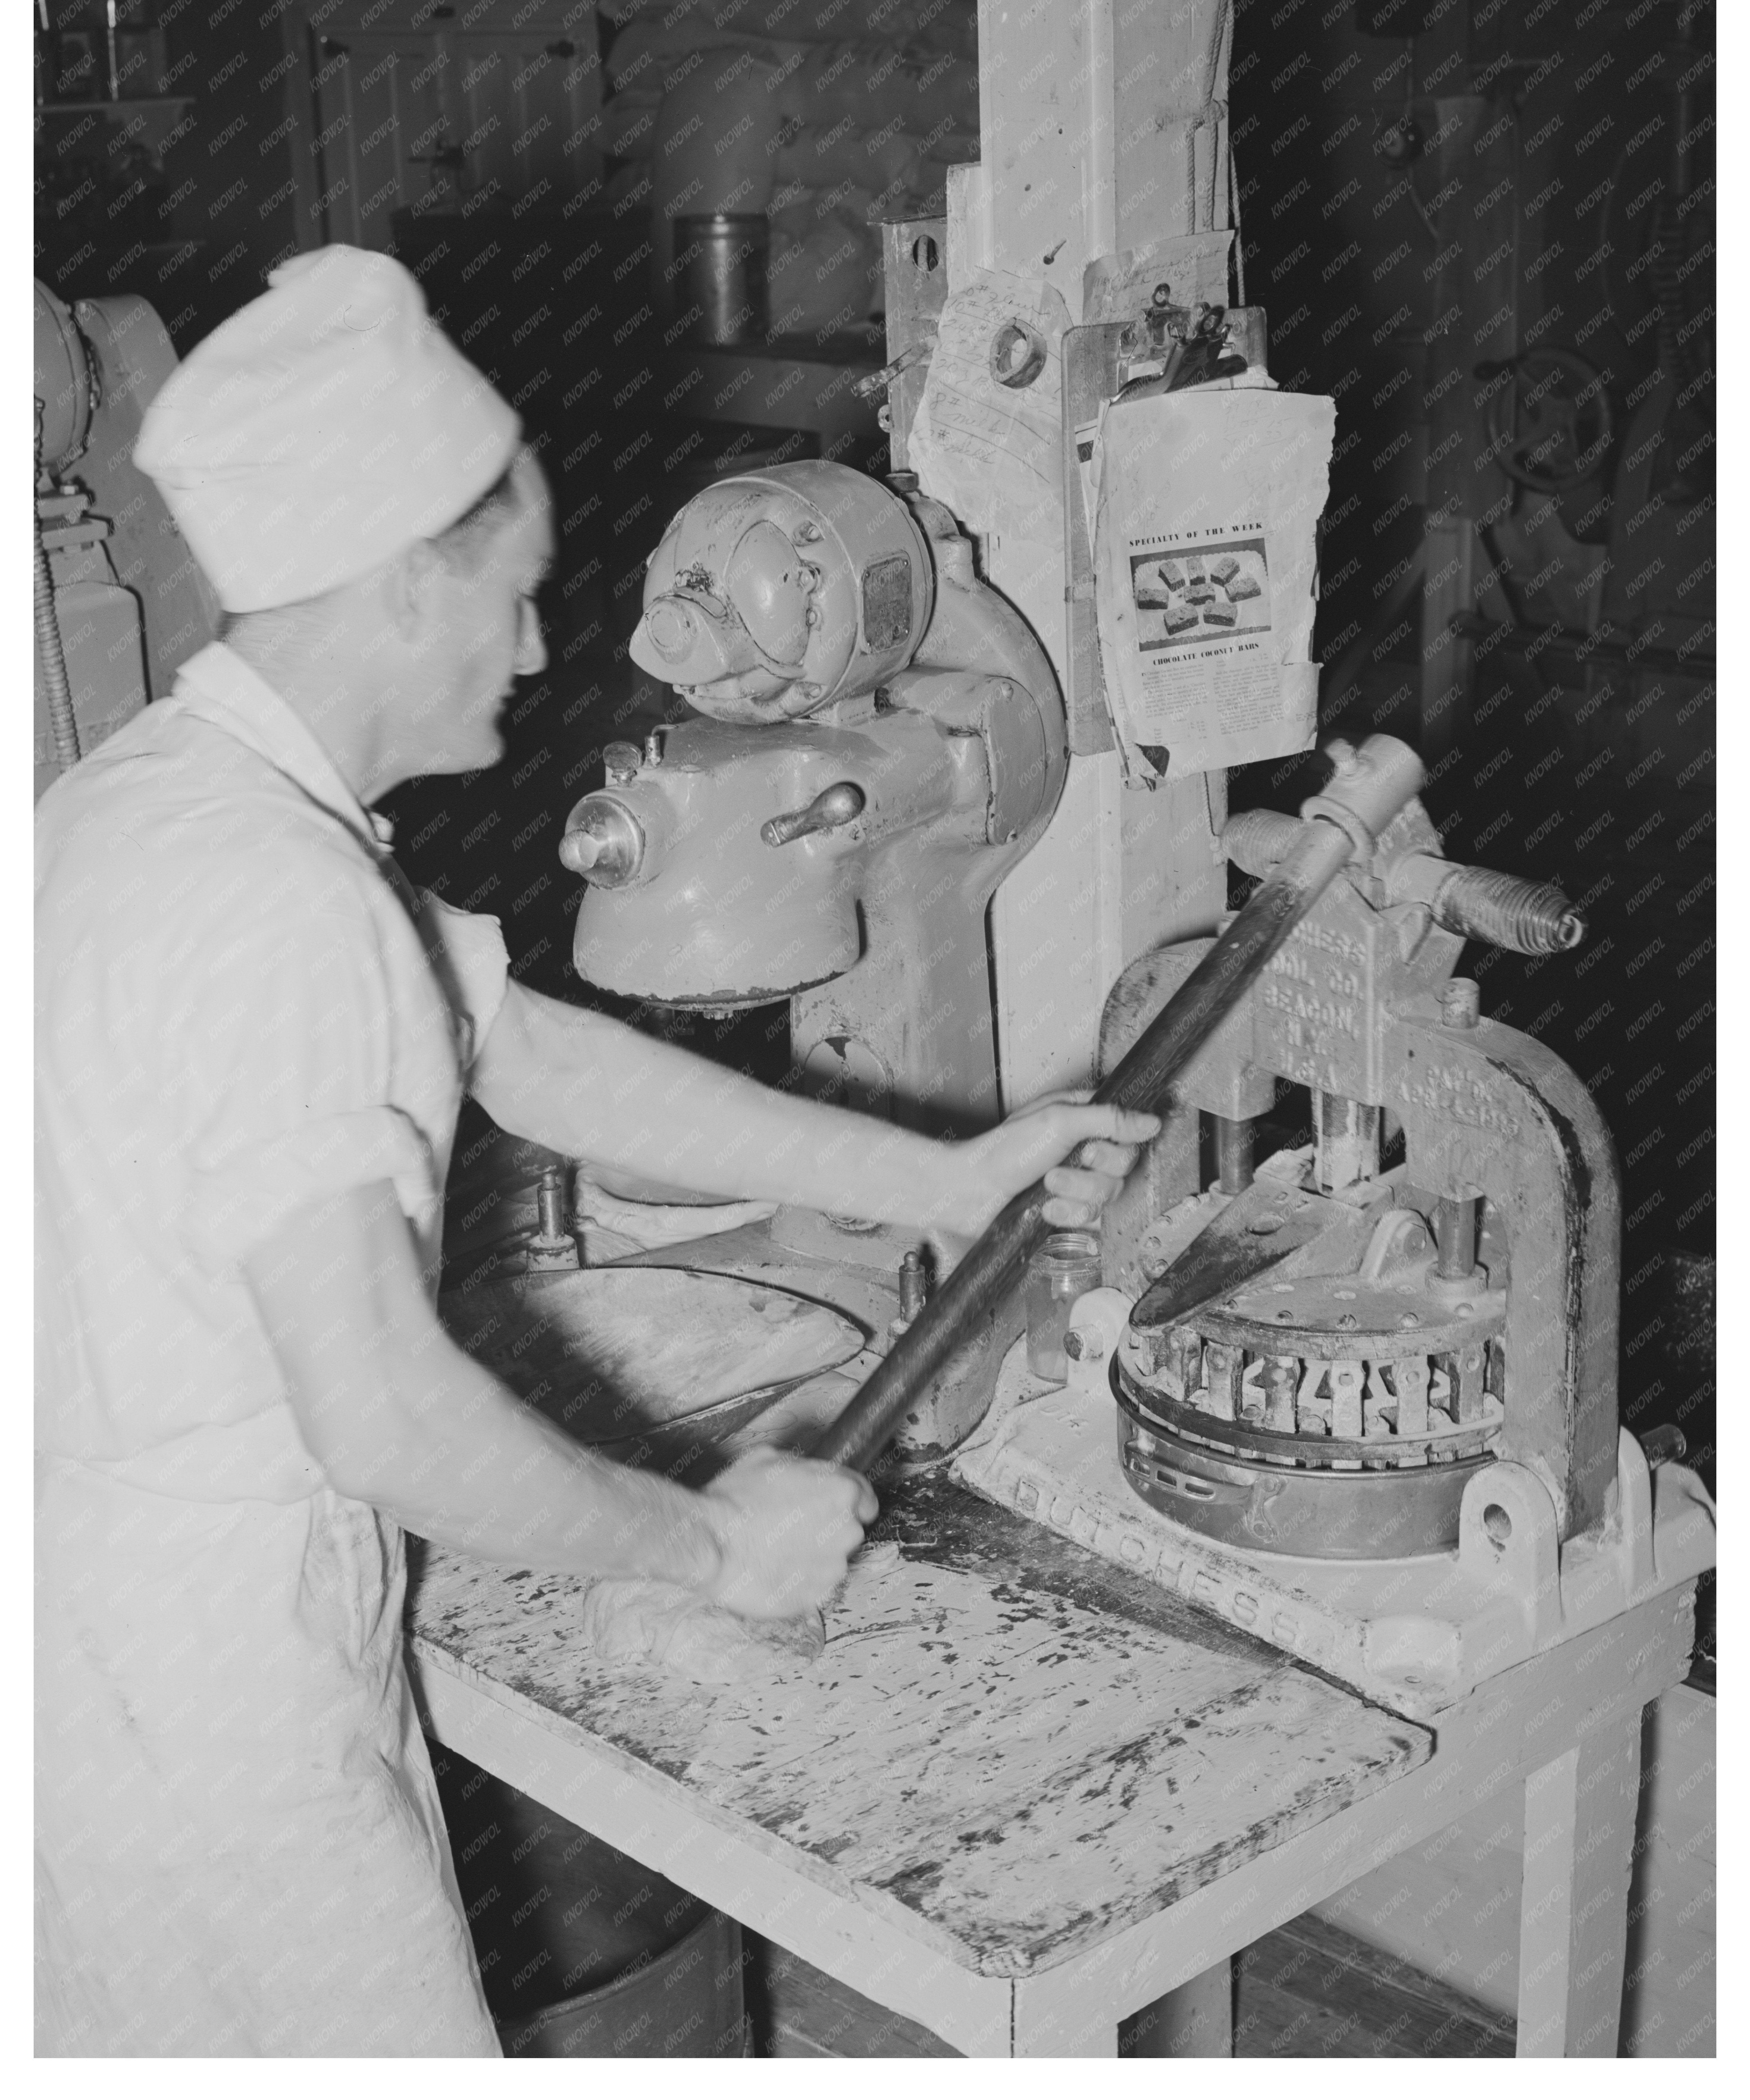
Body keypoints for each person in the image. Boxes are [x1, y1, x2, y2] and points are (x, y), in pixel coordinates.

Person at [34, 246, 1156, 2056]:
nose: (548, 647)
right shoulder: (275, 905)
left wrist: (947, 1178)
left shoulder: (153, 810)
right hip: (204, 1723)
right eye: (521, 592)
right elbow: (383, 1412)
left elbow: (531, 1054)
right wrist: (714, 1553)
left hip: (95, 1658)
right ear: (407, 580)